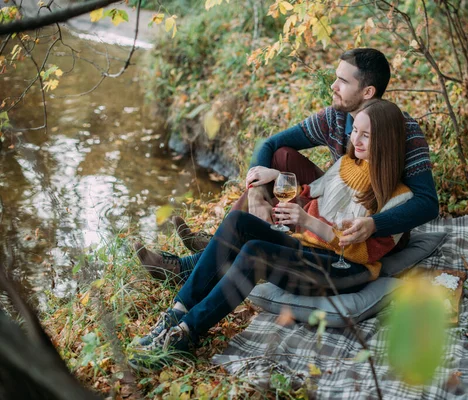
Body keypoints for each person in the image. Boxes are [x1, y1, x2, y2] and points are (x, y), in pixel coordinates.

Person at [129, 99, 414, 370]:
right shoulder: (346, 165)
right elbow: (309, 193)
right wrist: (276, 176)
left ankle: (185, 334)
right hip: (310, 249)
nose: (357, 140)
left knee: (255, 253)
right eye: (356, 132)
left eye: (367, 135)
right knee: (239, 221)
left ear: (386, 141)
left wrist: (308, 222)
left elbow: (363, 252)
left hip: (346, 270)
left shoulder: (400, 198)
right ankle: (176, 312)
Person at [136, 48, 439, 282]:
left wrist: (373, 224)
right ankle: (220, 242)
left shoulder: (403, 131)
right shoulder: (334, 117)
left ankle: (191, 264)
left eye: (343, 81)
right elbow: (268, 144)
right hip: (334, 199)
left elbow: (427, 205)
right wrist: (255, 194)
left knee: (282, 175)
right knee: (280, 155)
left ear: (367, 93)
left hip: (370, 229)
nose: (333, 86)